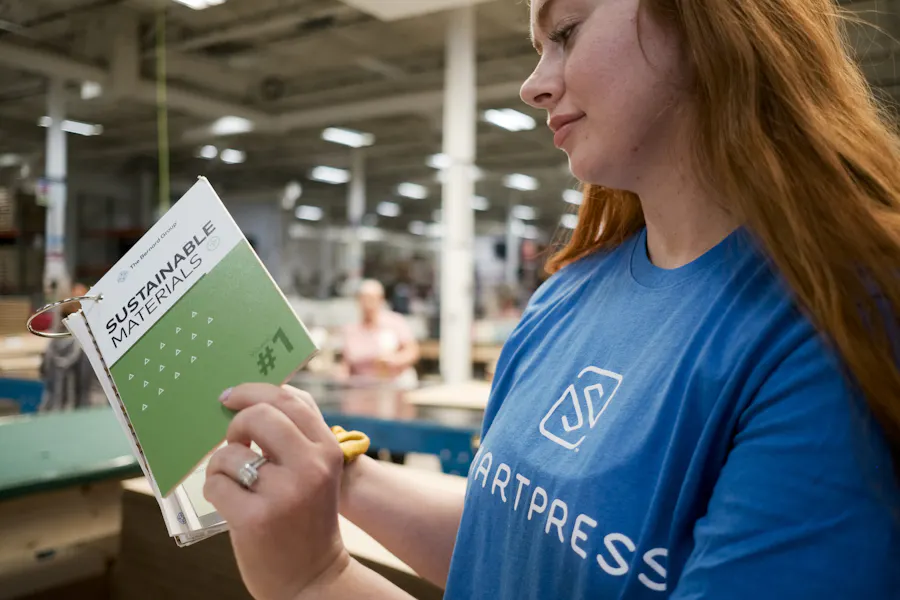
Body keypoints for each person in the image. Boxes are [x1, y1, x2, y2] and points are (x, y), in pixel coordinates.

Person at [203, 1, 900, 598]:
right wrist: (332, 466)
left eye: (564, 30)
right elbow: (512, 537)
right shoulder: (565, 298)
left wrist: (316, 579)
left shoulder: (830, 334)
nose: (532, 86)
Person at [335, 279, 420, 390]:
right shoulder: (350, 330)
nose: (368, 302)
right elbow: (346, 364)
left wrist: (396, 359)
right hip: (361, 388)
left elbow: (412, 351)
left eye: (372, 298)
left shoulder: (395, 322)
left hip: (393, 384)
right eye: (364, 298)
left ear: (381, 299)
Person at [39, 282, 105, 412]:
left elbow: (44, 371)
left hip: (55, 409)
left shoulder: (53, 343)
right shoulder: (91, 344)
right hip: (90, 411)